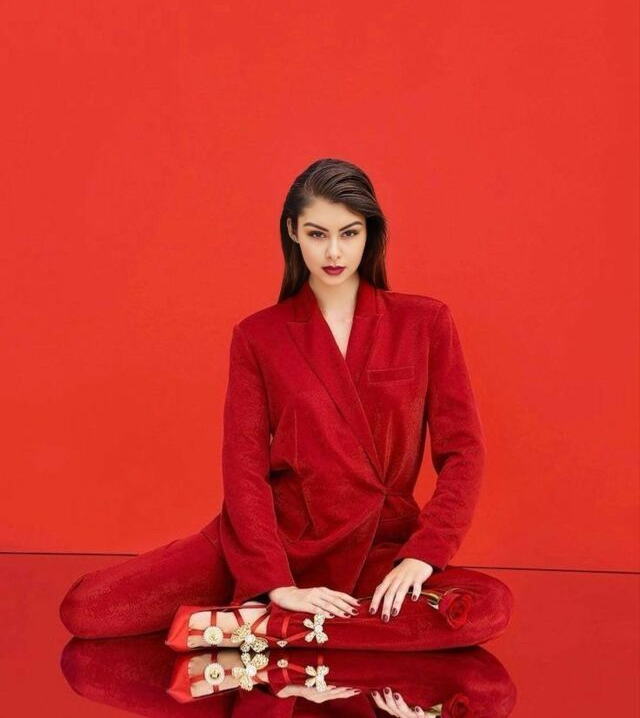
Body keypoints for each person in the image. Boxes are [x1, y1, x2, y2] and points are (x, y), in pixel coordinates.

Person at [59, 157, 513, 661]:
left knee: (487, 606)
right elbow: (244, 466)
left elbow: (464, 451)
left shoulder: (424, 323)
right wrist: (273, 582)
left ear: (370, 234)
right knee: (87, 609)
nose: (334, 252)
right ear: (293, 231)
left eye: (349, 233)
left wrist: (423, 556)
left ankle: (257, 628)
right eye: (318, 234)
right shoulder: (259, 336)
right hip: (269, 542)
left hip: (377, 551)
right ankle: (277, 614)